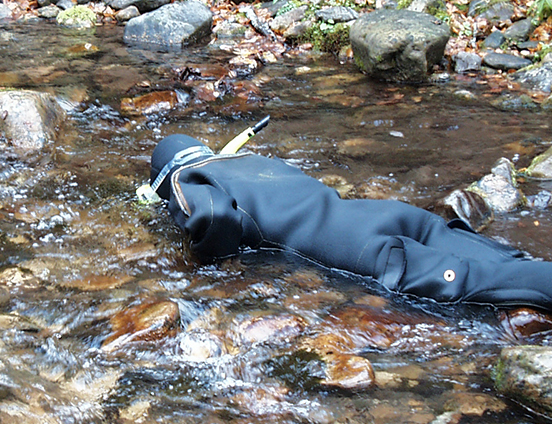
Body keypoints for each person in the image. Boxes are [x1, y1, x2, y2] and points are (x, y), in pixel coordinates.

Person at [146, 130, 552, 312]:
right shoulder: (253, 160)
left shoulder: (189, 179)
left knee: (479, 285)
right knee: (511, 263)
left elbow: (212, 218)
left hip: (359, 250)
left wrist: (203, 258)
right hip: (384, 214)